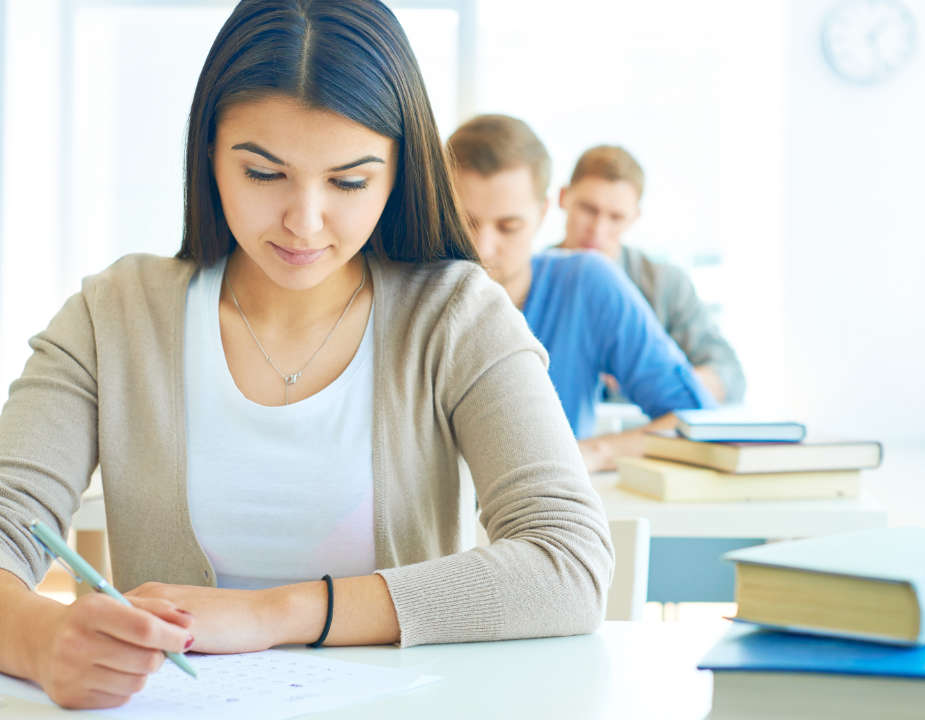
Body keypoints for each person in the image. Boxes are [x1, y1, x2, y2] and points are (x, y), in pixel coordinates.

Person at [0, 0, 611, 710]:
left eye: (349, 182)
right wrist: (42, 640)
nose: (304, 220)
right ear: (209, 154)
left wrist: (274, 614)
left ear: (398, 173)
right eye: (263, 174)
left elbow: (568, 562)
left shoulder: (455, 315)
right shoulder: (115, 315)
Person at [446, 115, 715, 473]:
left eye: (509, 227)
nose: (482, 248)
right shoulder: (403, 290)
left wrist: (593, 452)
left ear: (543, 213)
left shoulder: (587, 284)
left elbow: (697, 423)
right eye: (466, 222)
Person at [557, 145, 745, 404]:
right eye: (588, 210)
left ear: (635, 217)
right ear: (563, 198)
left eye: (616, 217)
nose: (598, 230)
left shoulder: (666, 285)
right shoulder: (527, 278)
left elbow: (730, 376)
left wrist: (656, 377)